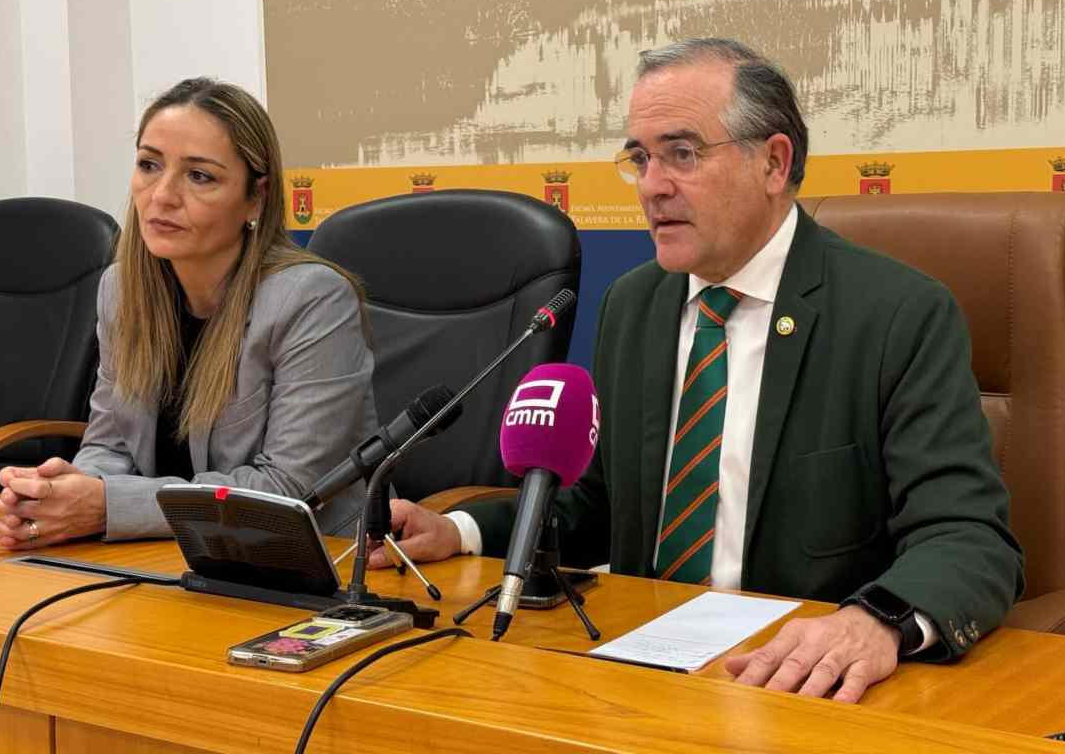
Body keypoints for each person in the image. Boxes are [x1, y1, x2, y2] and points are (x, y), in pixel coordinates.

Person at [368, 38, 1025, 702]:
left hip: (803, 688)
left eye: (682, 154)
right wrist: (458, 529)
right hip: (642, 671)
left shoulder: (896, 315)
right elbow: (595, 506)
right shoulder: (635, 305)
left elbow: (966, 535)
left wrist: (874, 624)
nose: (652, 185)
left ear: (773, 163)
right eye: (640, 158)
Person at [0, 78, 377, 546]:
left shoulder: (311, 298)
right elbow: (109, 446)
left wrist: (105, 505)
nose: (162, 195)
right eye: (149, 165)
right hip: (161, 554)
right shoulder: (122, 289)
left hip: (295, 561)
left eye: (200, 176)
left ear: (256, 197)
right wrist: (61, 496)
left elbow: (289, 491)